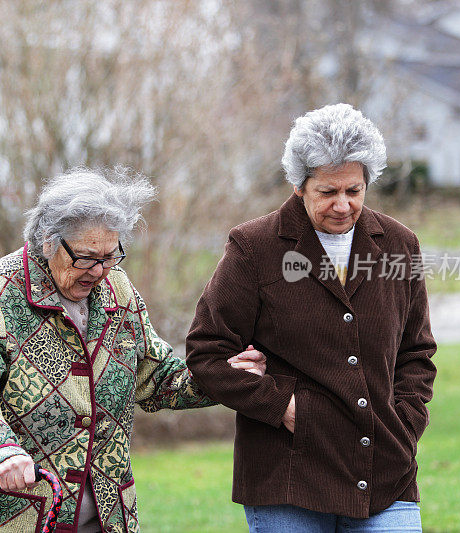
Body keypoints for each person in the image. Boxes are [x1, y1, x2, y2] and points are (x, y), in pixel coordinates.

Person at [0, 168, 265, 533]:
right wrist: (0, 449)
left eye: (110, 256)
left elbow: (157, 379)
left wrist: (226, 376)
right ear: (47, 241)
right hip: (10, 515)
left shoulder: (117, 291)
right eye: (86, 258)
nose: (99, 271)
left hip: (104, 516)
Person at [186, 103, 437, 532]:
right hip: (287, 476)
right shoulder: (254, 247)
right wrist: (282, 406)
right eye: (328, 192)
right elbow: (207, 352)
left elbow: (416, 353)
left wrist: (404, 423)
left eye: (354, 191)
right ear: (300, 186)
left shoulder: (399, 243)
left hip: (385, 470)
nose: (343, 205)